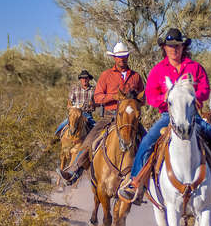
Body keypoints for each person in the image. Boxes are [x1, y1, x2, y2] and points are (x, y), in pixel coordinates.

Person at [118, 28, 211, 204]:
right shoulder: (158, 70)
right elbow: (150, 95)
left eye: (177, 46)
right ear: (164, 47)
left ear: (183, 47)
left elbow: (205, 89)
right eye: (170, 46)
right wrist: (163, 99)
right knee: (147, 142)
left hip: (192, 116)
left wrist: (193, 96)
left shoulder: (195, 67)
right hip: (167, 116)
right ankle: (134, 183)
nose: (174, 49)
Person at [57, 42, 145, 185]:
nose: (121, 59)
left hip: (129, 118)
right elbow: (97, 97)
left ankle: (148, 177)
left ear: (128, 56)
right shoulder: (106, 75)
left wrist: (134, 102)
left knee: (147, 141)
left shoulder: (136, 77)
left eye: (124, 56)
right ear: (114, 58)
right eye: (118, 57)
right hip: (110, 116)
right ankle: (74, 171)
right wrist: (113, 97)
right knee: (89, 141)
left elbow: (143, 99)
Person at [54, 70, 96, 136]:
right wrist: (71, 107)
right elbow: (69, 103)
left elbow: (98, 104)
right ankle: (55, 136)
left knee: (95, 126)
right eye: (82, 78)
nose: (84, 80)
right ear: (80, 80)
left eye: (86, 78)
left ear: (89, 79)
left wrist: (93, 104)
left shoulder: (93, 90)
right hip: (75, 113)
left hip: (87, 114)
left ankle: (98, 143)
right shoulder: (75, 89)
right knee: (64, 123)